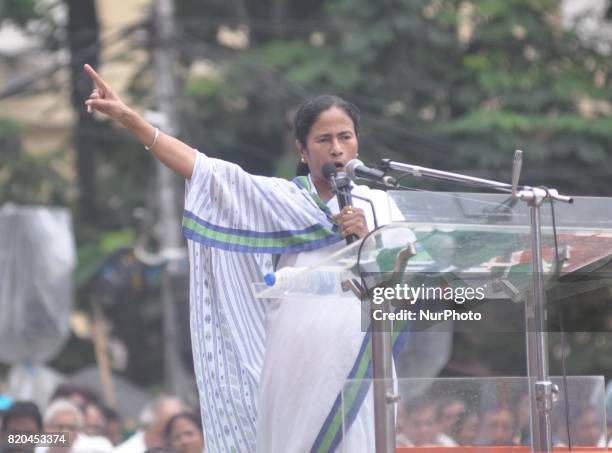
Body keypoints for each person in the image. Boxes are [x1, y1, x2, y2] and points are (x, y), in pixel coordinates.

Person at [83, 64, 407, 453]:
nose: (337, 149)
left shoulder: (381, 206)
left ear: (357, 144)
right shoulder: (282, 201)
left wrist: (367, 240)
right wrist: (129, 118)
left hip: (362, 360)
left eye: (345, 137)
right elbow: (204, 171)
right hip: (298, 361)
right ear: (303, 151)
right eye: (324, 139)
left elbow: (404, 287)